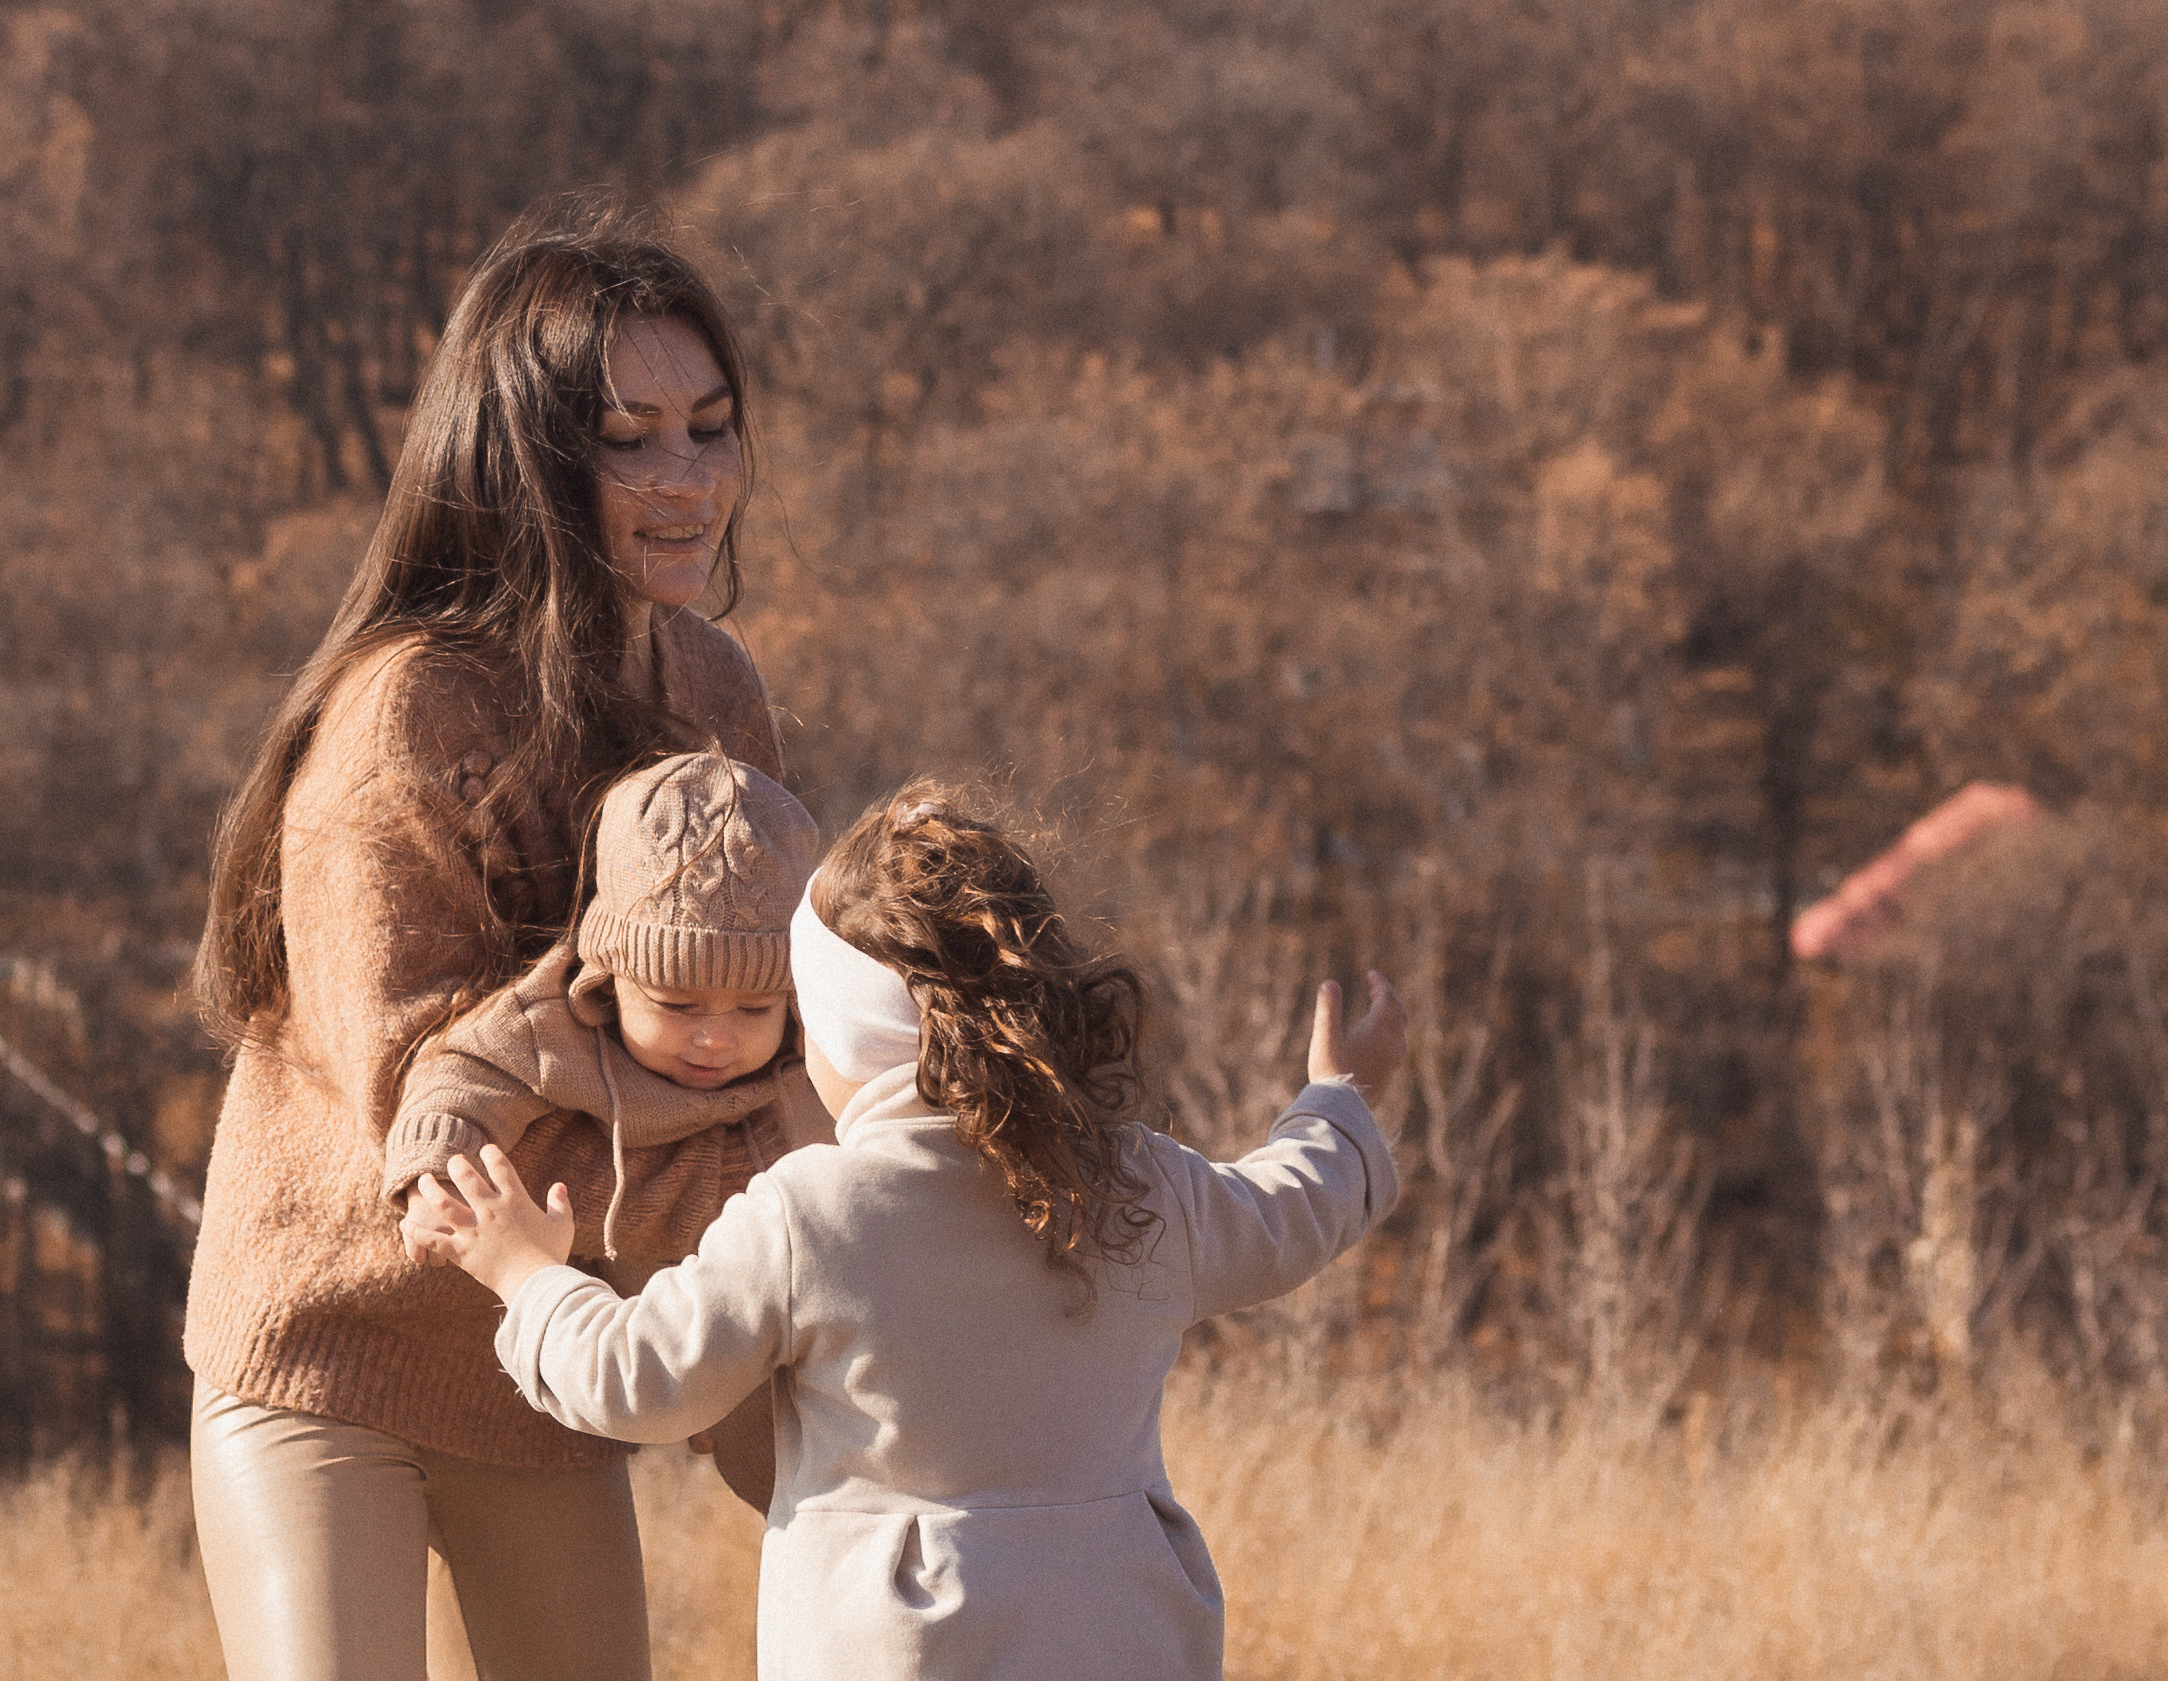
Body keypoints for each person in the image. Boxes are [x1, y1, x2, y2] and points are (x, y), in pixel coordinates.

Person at [182, 205, 797, 1681]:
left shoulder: (713, 686)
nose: (687, 479)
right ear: (521, 457)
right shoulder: (407, 713)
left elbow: (768, 1014)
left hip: (543, 1356)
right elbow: (433, 1121)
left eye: (708, 431)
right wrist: (715, 1214)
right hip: (334, 1351)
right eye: (629, 437)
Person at [403, 782, 1409, 1680]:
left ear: (838, 1033)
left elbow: (638, 1377)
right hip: (1126, 1630)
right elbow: (1291, 1210)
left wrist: (524, 1271)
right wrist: (1339, 1101)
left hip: (897, 1648)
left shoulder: (813, 1213)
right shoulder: (1135, 1177)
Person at [384, 749, 833, 1512]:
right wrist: (433, 1174)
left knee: (796, 1477)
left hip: (785, 1327)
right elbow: (458, 1079)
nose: (716, 1038)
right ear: (608, 972)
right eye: (678, 1004)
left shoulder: (813, 1054)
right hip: (631, 1321)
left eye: (754, 1008)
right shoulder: (552, 1025)